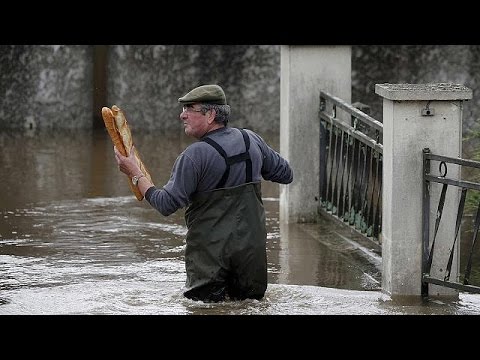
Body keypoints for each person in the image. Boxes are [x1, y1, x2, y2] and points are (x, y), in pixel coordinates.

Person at [114, 84, 293, 303]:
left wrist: (134, 173)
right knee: (249, 306)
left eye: (189, 108)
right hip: (251, 256)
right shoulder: (251, 140)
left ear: (210, 115)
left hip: (210, 261)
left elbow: (165, 204)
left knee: (203, 308)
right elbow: (286, 174)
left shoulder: (194, 156)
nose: (182, 115)